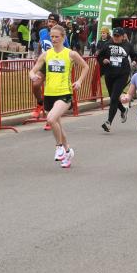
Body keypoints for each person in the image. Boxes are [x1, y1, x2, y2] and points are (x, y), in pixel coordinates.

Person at [28, 25, 90, 169]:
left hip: (64, 93)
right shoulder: (46, 54)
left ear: (63, 37)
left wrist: (79, 81)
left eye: (57, 37)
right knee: (58, 126)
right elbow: (33, 70)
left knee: (51, 119)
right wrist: (32, 75)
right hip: (49, 93)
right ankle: (68, 151)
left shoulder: (70, 54)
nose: (54, 39)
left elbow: (85, 66)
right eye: (52, 36)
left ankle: (59, 147)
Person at [98, 26, 134, 132]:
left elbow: (134, 55)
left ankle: (108, 122)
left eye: (118, 36)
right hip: (109, 74)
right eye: (114, 35)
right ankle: (123, 110)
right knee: (113, 97)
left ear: (123, 37)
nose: (116, 38)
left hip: (122, 74)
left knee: (114, 97)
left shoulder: (128, 45)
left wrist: (134, 61)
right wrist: (103, 60)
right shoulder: (107, 45)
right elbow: (99, 57)